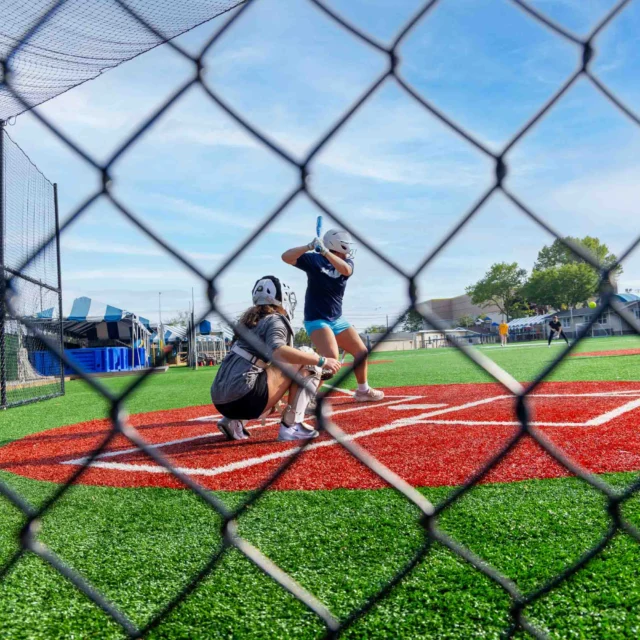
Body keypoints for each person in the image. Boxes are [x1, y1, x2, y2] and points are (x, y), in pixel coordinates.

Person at [211, 276, 341, 442]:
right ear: (281, 298)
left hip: (220, 399)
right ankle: (292, 426)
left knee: (267, 371)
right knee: (308, 354)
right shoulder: (275, 319)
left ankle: (234, 421)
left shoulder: (249, 321)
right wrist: (321, 361)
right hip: (245, 397)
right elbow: (279, 351)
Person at [282, 229, 384, 402]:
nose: (349, 251)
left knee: (361, 352)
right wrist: (308, 246)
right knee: (330, 359)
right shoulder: (314, 260)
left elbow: (345, 270)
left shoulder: (347, 262)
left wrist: (326, 252)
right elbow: (286, 257)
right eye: (345, 247)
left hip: (337, 318)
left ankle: (363, 391)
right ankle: (306, 397)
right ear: (338, 245)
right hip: (316, 318)